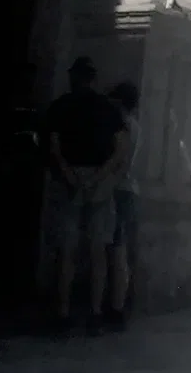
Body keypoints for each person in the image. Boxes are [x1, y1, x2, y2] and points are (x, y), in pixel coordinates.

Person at [42, 57, 127, 334]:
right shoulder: (108, 109)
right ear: (93, 79)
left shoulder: (60, 107)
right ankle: (95, 312)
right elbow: (119, 151)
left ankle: (64, 312)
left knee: (67, 250)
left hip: (68, 182)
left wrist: (70, 175)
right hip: (99, 182)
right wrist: (98, 178)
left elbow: (54, 147)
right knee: (98, 250)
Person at [106, 82, 139, 329]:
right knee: (119, 248)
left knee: (117, 248)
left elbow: (122, 162)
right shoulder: (133, 125)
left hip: (120, 190)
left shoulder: (125, 126)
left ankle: (117, 307)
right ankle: (118, 304)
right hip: (127, 190)